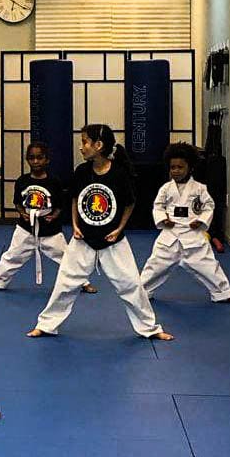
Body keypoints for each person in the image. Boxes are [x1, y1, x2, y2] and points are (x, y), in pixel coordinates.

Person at [27, 124, 174, 341]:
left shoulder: (119, 173)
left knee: (131, 284)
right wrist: (75, 225)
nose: (81, 147)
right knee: (65, 283)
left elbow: (129, 203)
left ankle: (150, 328)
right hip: (83, 239)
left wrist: (119, 229)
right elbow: (76, 198)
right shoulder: (82, 171)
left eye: (85, 142)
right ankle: (46, 325)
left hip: (113, 240)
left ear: (98, 145)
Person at [0, 141, 97, 293]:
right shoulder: (22, 181)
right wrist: (22, 213)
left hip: (50, 231)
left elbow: (60, 205)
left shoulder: (54, 181)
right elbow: (17, 203)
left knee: (67, 257)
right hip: (26, 229)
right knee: (12, 256)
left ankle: (83, 282)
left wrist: (53, 216)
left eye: (39, 157)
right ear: (27, 160)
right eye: (31, 158)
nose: (35, 161)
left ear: (47, 160)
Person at [140, 142, 230, 304]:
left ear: (190, 168)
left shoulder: (200, 188)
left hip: (192, 234)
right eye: (172, 167)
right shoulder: (166, 188)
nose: (176, 171)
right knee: (154, 265)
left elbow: (209, 206)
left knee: (209, 266)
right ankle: (141, 292)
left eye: (180, 167)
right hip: (170, 234)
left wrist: (201, 220)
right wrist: (163, 219)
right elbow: (158, 206)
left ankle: (225, 293)